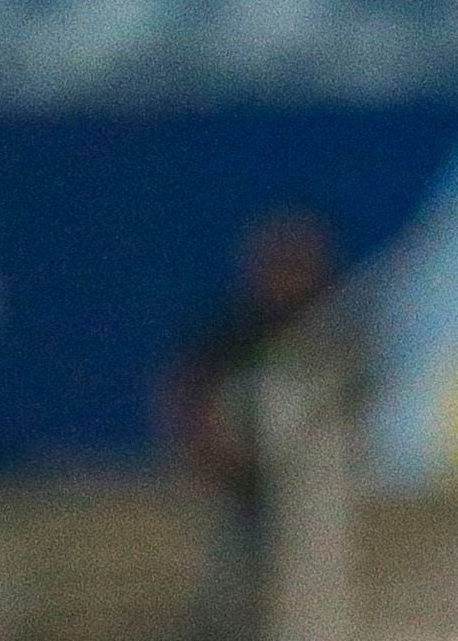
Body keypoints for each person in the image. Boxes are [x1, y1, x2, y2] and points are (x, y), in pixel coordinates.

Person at [167, 209, 346, 641]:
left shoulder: (333, 335)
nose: (288, 279)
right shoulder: (234, 333)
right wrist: (210, 449)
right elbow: (187, 393)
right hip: (243, 487)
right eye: (279, 265)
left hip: (311, 492)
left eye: (299, 265)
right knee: (232, 587)